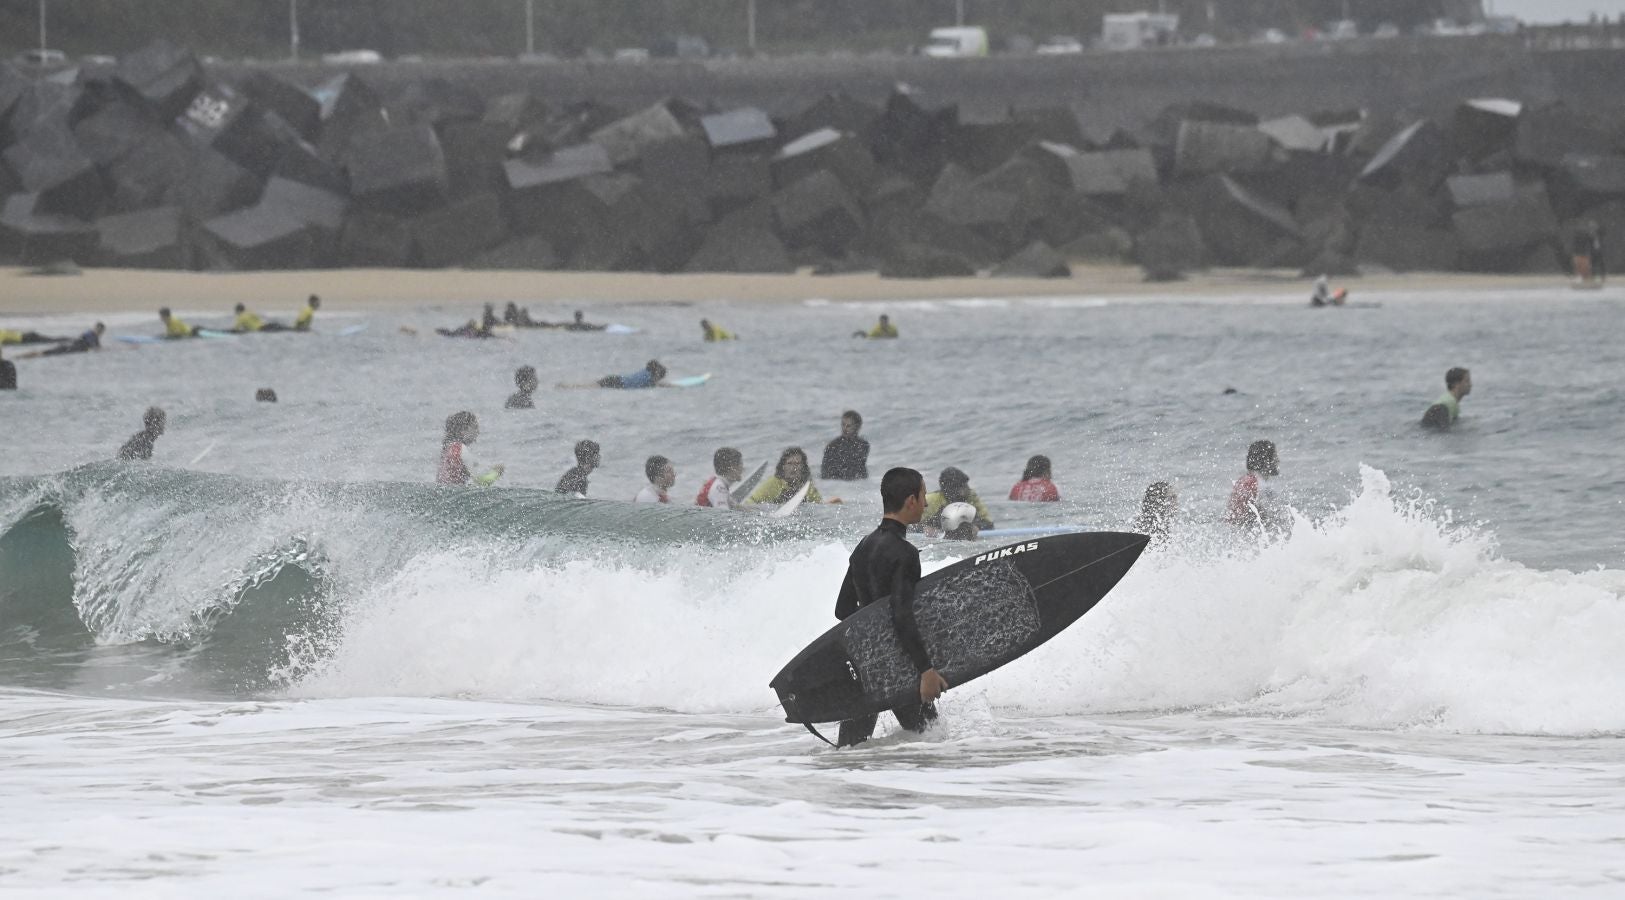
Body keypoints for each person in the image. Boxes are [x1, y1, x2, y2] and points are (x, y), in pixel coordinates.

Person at [833, 467, 947, 748]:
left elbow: (842, 609)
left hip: (866, 666)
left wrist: (869, 642)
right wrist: (926, 670)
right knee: (931, 741)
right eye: (923, 495)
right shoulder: (904, 553)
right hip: (899, 667)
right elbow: (902, 615)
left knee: (850, 751)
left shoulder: (864, 546)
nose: (927, 503)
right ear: (911, 500)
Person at [1225, 440, 1284, 532]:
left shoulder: (1242, 481)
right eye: (1275, 456)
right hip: (1251, 535)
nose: (1278, 460)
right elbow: (1273, 518)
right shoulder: (1262, 486)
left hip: (1235, 532)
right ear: (1266, 461)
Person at [436, 411, 503, 486]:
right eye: (475, 427)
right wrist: (496, 473)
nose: (478, 432)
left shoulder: (448, 449)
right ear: (463, 431)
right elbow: (481, 481)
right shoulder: (461, 449)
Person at [748, 447, 827, 505]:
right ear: (783, 466)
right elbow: (751, 501)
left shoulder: (807, 487)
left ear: (803, 467)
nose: (793, 468)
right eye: (789, 463)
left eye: (797, 464)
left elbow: (819, 505)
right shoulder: (773, 483)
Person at [923, 467, 993, 532]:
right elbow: (914, 526)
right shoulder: (930, 501)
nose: (965, 490)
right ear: (947, 490)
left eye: (965, 485)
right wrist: (926, 528)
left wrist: (976, 526)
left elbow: (989, 524)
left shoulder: (971, 496)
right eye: (960, 487)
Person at [819, 410, 870, 481]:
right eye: (843, 424)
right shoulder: (832, 446)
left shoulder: (863, 445)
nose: (844, 428)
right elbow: (825, 473)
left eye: (848, 426)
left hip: (859, 484)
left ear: (857, 427)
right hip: (837, 483)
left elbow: (859, 468)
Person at [39, 322, 105, 356]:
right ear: (96, 328)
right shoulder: (91, 335)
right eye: (100, 330)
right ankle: (29, 355)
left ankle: (30, 355)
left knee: (44, 353)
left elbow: (97, 347)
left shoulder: (93, 336)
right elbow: (94, 347)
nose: (101, 333)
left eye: (101, 331)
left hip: (69, 347)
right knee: (44, 353)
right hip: (69, 348)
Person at [595, 360, 667, 389]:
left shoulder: (645, 372)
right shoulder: (649, 380)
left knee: (592, 385)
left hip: (615, 379)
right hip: (617, 383)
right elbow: (660, 385)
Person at [0, 328, 67, 345]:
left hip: (28, 338)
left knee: (52, 341)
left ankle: (66, 339)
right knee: (52, 340)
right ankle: (66, 339)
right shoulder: (2, 331)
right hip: (29, 335)